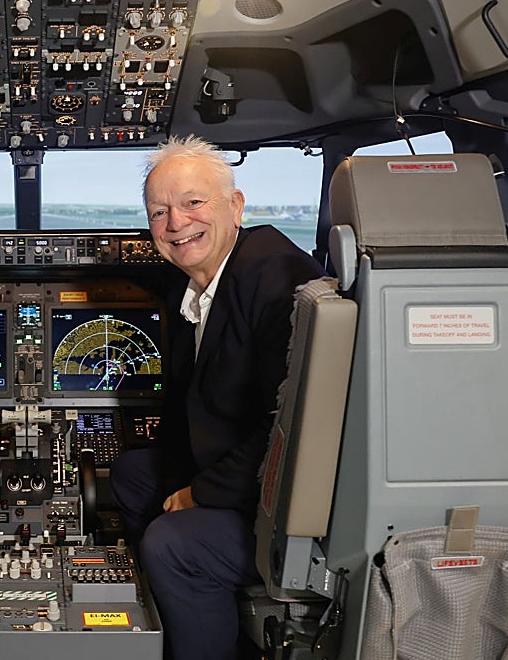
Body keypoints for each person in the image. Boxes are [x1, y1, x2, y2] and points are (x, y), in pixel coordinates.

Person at [109, 135, 325, 659]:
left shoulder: (276, 280)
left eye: (193, 202)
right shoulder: (198, 287)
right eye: (159, 212)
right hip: (254, 478)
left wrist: (197, 496)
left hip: (292, 505)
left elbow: (287, 427)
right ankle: (183, 610)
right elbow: (195, 404)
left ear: (236, 205)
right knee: (133, 475)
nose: (176, 223)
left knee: (171, 543)